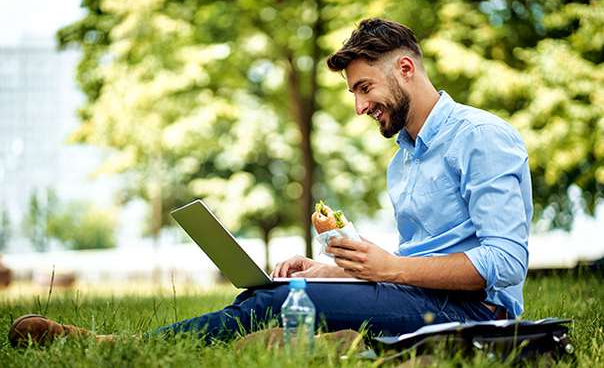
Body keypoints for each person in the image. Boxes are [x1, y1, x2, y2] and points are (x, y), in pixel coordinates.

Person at [9, 18, 532, 348]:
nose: (359, 106)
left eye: (365, 87)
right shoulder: (404, 159)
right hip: (424, 298)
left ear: (405, 68)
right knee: (277, 291)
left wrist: (390, 267)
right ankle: (180, 334)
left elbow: (505, 263)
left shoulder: (482, 137)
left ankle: (117, 343)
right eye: (354, 93)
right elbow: (428, 260)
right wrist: (336, 270)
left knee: (281, 304)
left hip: (477, 313)